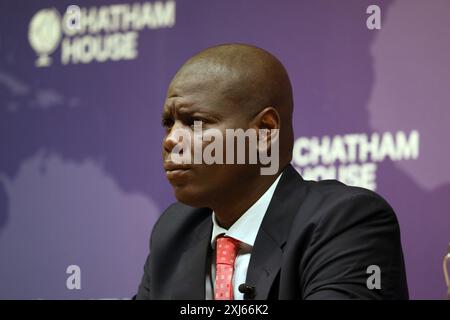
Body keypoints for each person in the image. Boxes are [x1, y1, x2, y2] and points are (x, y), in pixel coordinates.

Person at [135, 43, 409, 300]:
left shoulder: (347, 223)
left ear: (264, 130)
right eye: (169, 124)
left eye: (195, 122)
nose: (171, 140)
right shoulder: (174, 233)